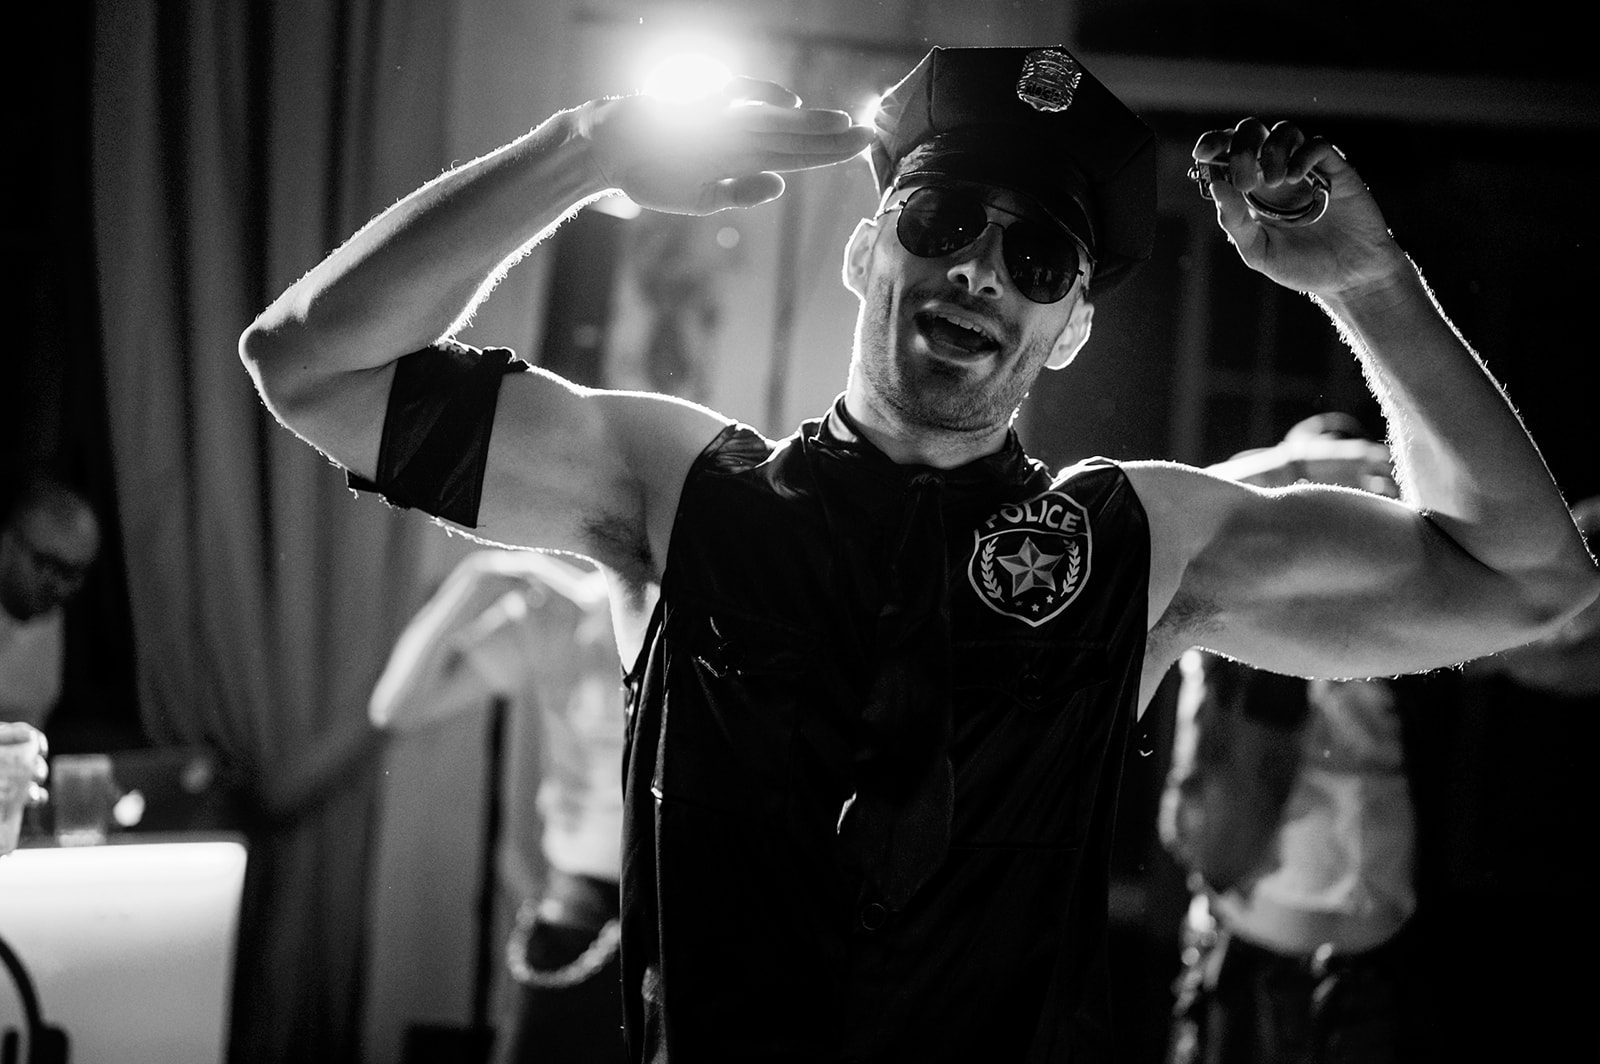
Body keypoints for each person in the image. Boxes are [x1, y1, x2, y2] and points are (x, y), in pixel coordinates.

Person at [238, 43, 1598, 1062]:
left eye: (1038, 258)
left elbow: (1527, 579)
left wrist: (1369, 285)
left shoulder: (1142, 544)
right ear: (864, 251)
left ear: (1068, 328)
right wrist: (581, 154)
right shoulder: (677, 489)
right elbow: (310, 365)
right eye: (942, 222)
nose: (980, 271)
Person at [1160, 415, 1419, 1064]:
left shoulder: (1398, 591)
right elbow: (1181, 506)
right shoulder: (1228, 583)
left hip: (1373, 955)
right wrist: (1307, 464)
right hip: (1257, 943)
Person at [369, 549, 628, 1063]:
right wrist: (476, 580)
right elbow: (396, 709)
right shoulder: (561, 617)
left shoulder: (716, 615)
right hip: (584, 910)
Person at [0, 474, 101, 729]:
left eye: (74, 574)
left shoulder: (49, 612)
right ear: (9, 543)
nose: (61, 588)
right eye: (50, 566)